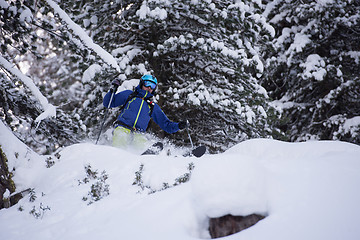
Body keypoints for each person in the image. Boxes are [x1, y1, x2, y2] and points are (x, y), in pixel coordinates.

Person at [103, 74, 187, 152]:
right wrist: (112, 91)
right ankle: (117, 158)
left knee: (140, 145)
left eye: (153, 86)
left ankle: (145, 160)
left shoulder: (152, 106)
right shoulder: (129, 95)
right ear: (141, 84)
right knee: (121, 139)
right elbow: (108, 103)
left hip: (138, 133)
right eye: (147, 84)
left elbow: (166, 124)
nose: (149, 88)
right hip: (122, 127)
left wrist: (178, 126)